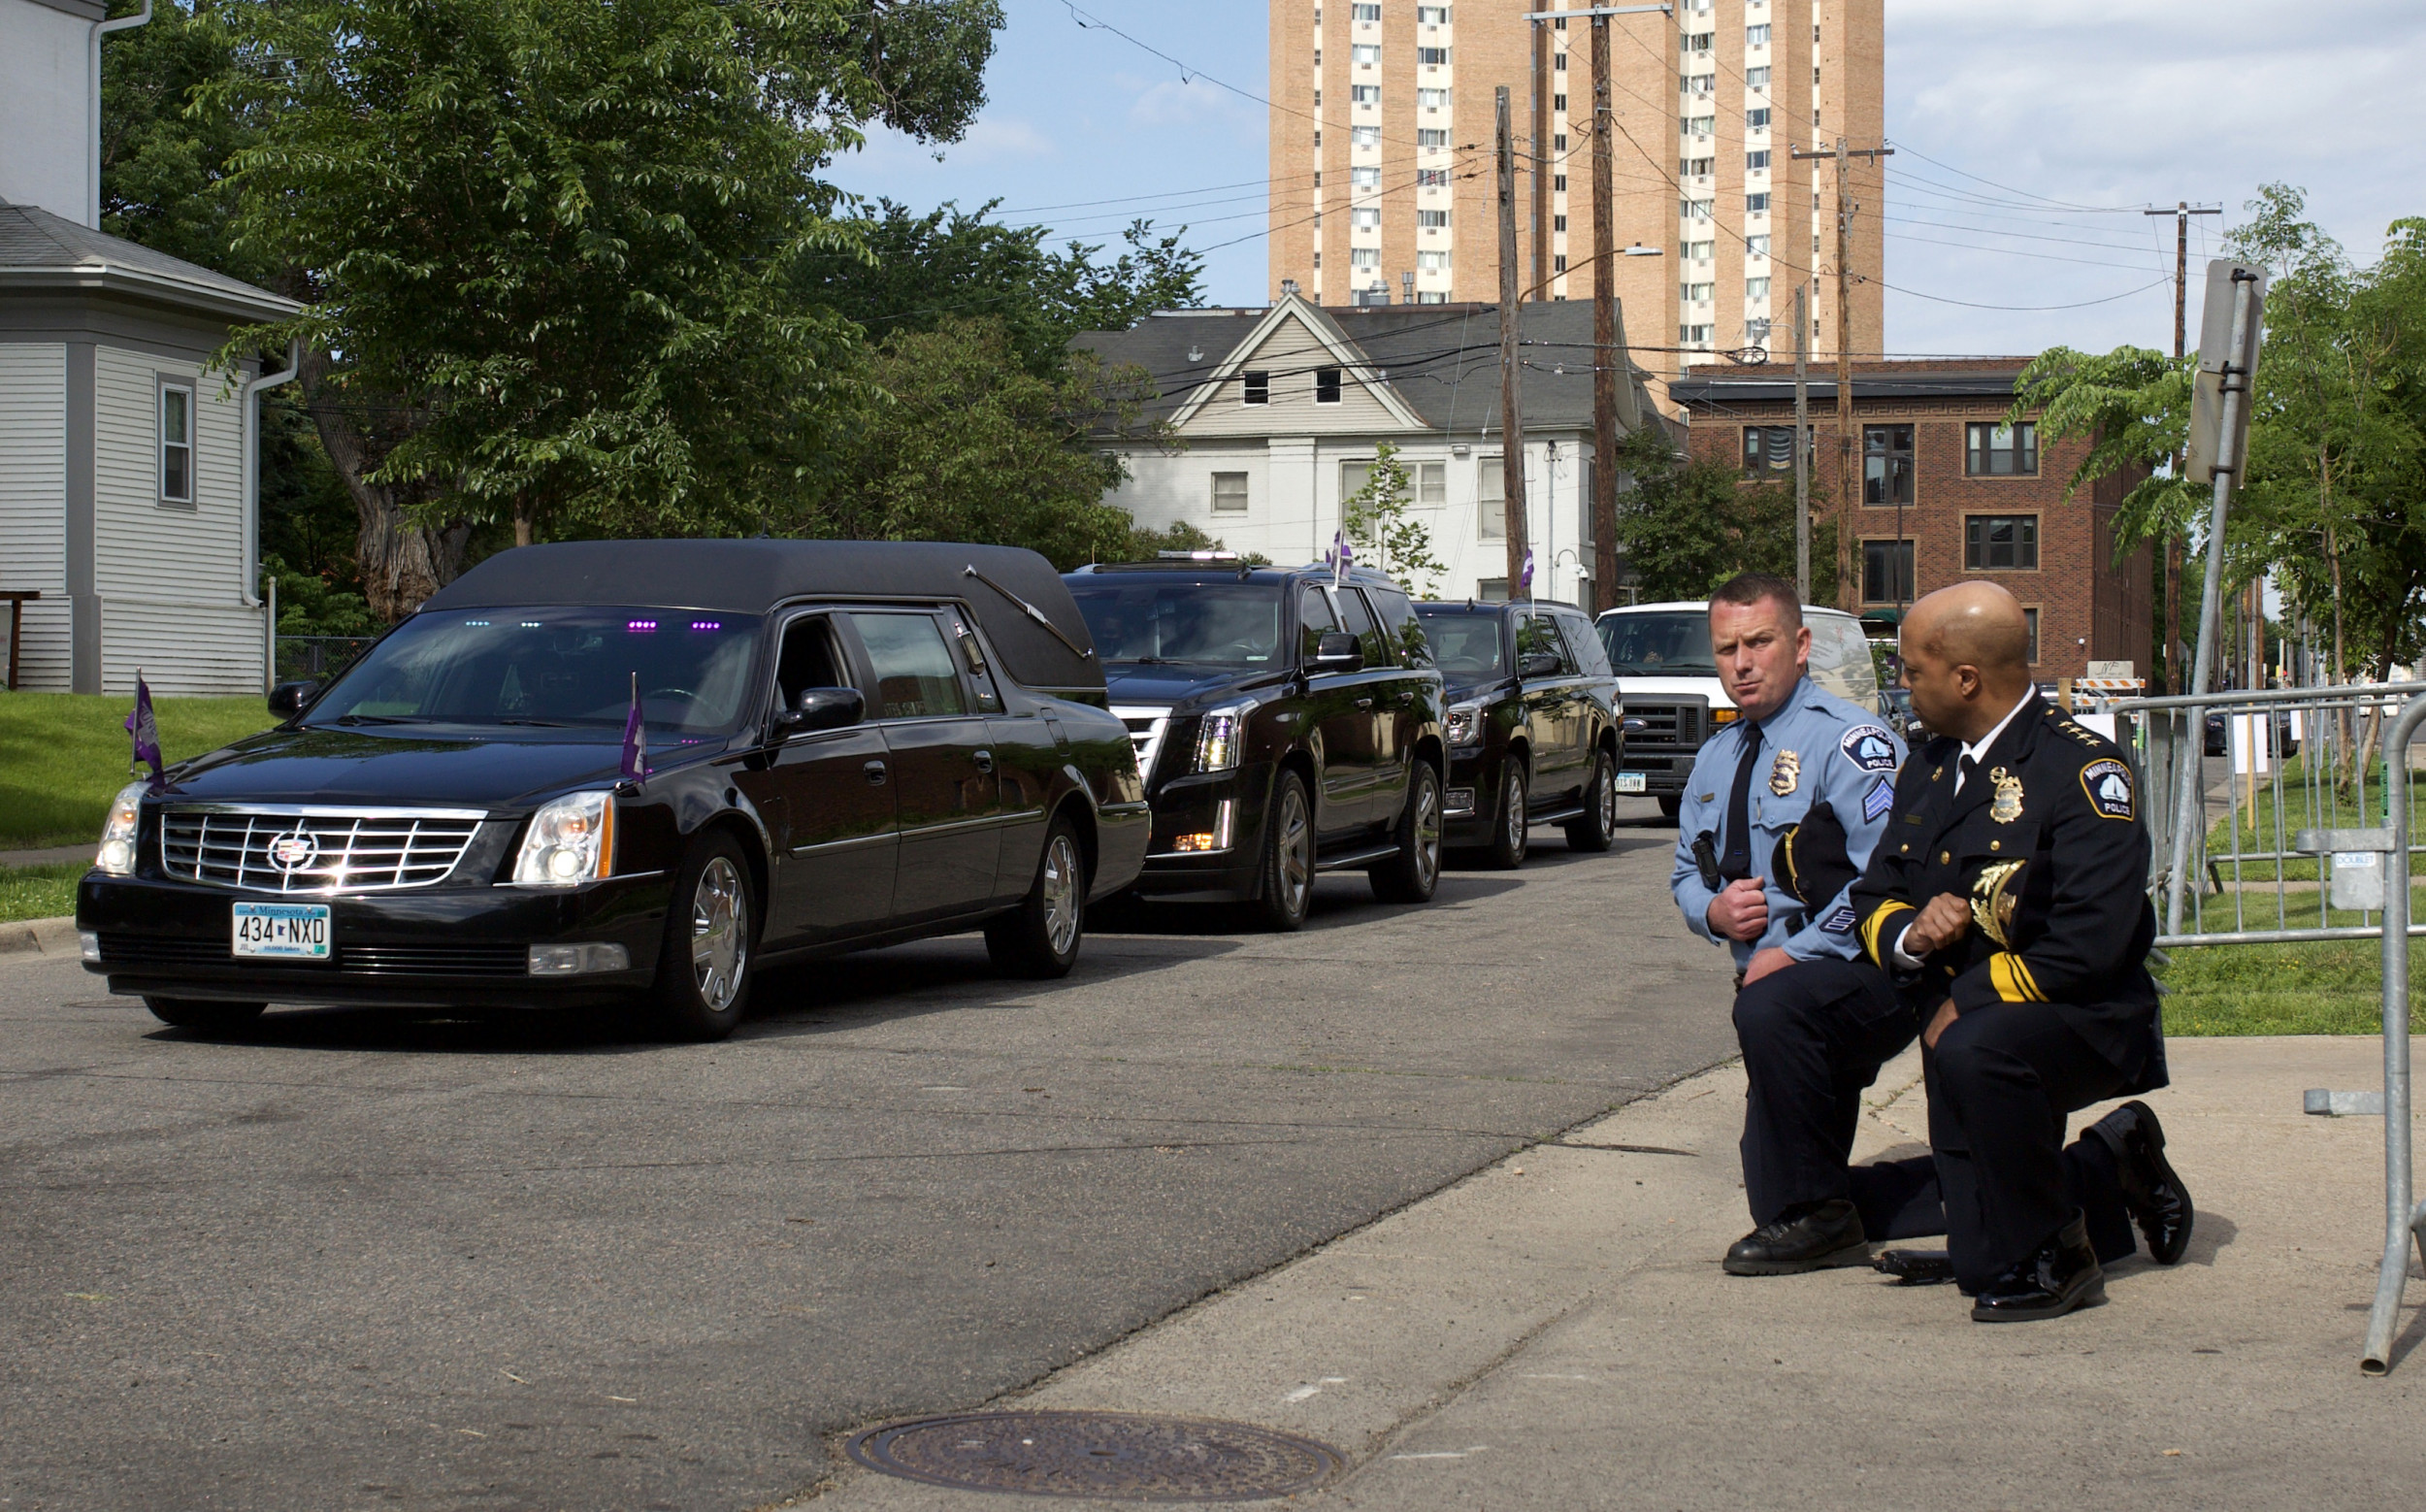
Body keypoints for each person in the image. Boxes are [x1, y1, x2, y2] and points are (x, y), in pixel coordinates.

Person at [1852, 581, 2193, 1321]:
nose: (1904, 686)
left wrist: (1965, 1000)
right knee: (1979, 1263)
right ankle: (2112, 1160)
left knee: (1977, 1051)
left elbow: (2091, 946)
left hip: (2082, 1014)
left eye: (1912, 671)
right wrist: (1912, 935)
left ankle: (2059, 1257)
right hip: (1968, 1020)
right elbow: (1873, 893)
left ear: (1965, 678)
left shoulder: (2083, 773)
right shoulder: (1931, 765)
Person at [1663, 575, 1916, 1274]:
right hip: (1778, 1001)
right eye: (1726, 649)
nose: (1741, 663)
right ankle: (2057, 1181)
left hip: (1862, 979)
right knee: (1776, 1199)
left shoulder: (1851, 743)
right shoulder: (1716, 758)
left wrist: (1796, 954)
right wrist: (1710, 911)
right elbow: (1687, 872)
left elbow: (1883, 882)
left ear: (1800, 646)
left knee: (1772, 1008)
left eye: (1759, 643)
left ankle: (1822, 1216)